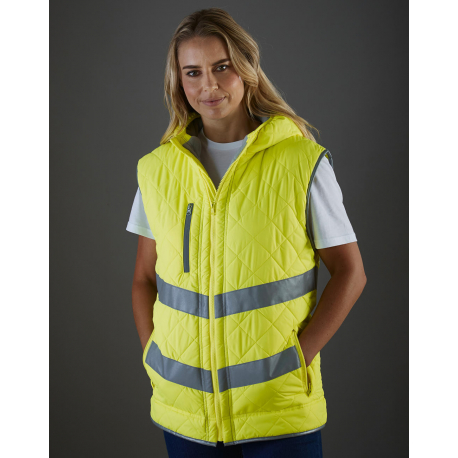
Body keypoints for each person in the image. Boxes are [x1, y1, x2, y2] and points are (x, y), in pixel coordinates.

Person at [127, 8, 366, 458]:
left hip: (278, 410)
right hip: (185, 414)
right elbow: (143, 277)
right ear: (178, 81)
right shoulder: (156, 171)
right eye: (193, 72)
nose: (209, 85)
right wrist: (151, 354)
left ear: (247, 68)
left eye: (222, 67)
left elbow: (351, 272)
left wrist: (298, 360)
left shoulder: (301, 162)